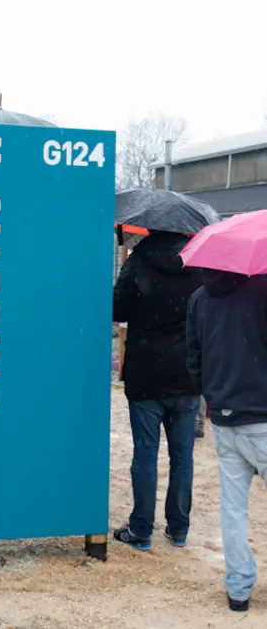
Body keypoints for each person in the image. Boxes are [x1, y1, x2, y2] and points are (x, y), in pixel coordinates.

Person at [112, 231, 201, 551]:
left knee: (146, 454)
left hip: (146, 374)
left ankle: (141, 529)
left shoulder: (138, 261)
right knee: (183, 457)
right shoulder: (198, 261)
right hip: (187, 376)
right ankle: (178, 529)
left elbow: (117, 310)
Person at [187, 270, 267, 613]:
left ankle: (238, 590)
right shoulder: (261, 292)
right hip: (262, 415)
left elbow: (193, 359)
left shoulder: (199, 298)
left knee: (233, 510)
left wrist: (212, 398)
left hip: (224, 415)